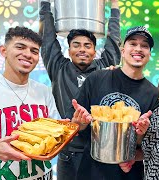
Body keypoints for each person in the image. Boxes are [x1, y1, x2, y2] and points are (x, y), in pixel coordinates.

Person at [38, 0, 121, 179]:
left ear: (94, 51)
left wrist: (115, 7)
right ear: (68, 50)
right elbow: (47, 38)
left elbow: (113, 40)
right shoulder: (58, 67)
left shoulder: (104, 67)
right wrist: (45, 4)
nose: (82, 49)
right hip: (68, 154)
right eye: (76, 45)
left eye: (87, 45)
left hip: (100, 152)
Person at [69, 26, 159, 179]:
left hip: (128, 174)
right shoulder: (96, 78)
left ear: (149, 54)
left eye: (144, 45)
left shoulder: (155, 95)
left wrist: (140, 134)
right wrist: (80, 123)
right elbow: (75, 126)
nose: (138, 49)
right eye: (132, 43)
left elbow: (149, 147)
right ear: (122, 50)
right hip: (91, 171)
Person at [0, 26, 61, 179]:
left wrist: (75, 124)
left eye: (34, 51)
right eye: (20, 47)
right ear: (3, 51)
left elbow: (56, 132)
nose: (28, 54)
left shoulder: (44, 91)